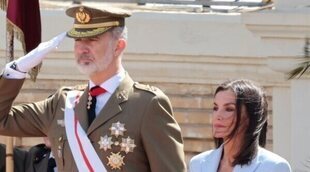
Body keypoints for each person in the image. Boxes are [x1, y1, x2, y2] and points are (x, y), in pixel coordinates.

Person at [0, 5, 186, 172]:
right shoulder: (62, 104)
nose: (82, 48)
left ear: (118, 46)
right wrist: (16, 70)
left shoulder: (147, 104)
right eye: (78, 40)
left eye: (92, 39)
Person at [189, 79, 291, 172]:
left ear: (250, 117)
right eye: (215, 108)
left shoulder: (275, 167)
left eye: (229, 109)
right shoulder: (198, 164)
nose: (218, 116)